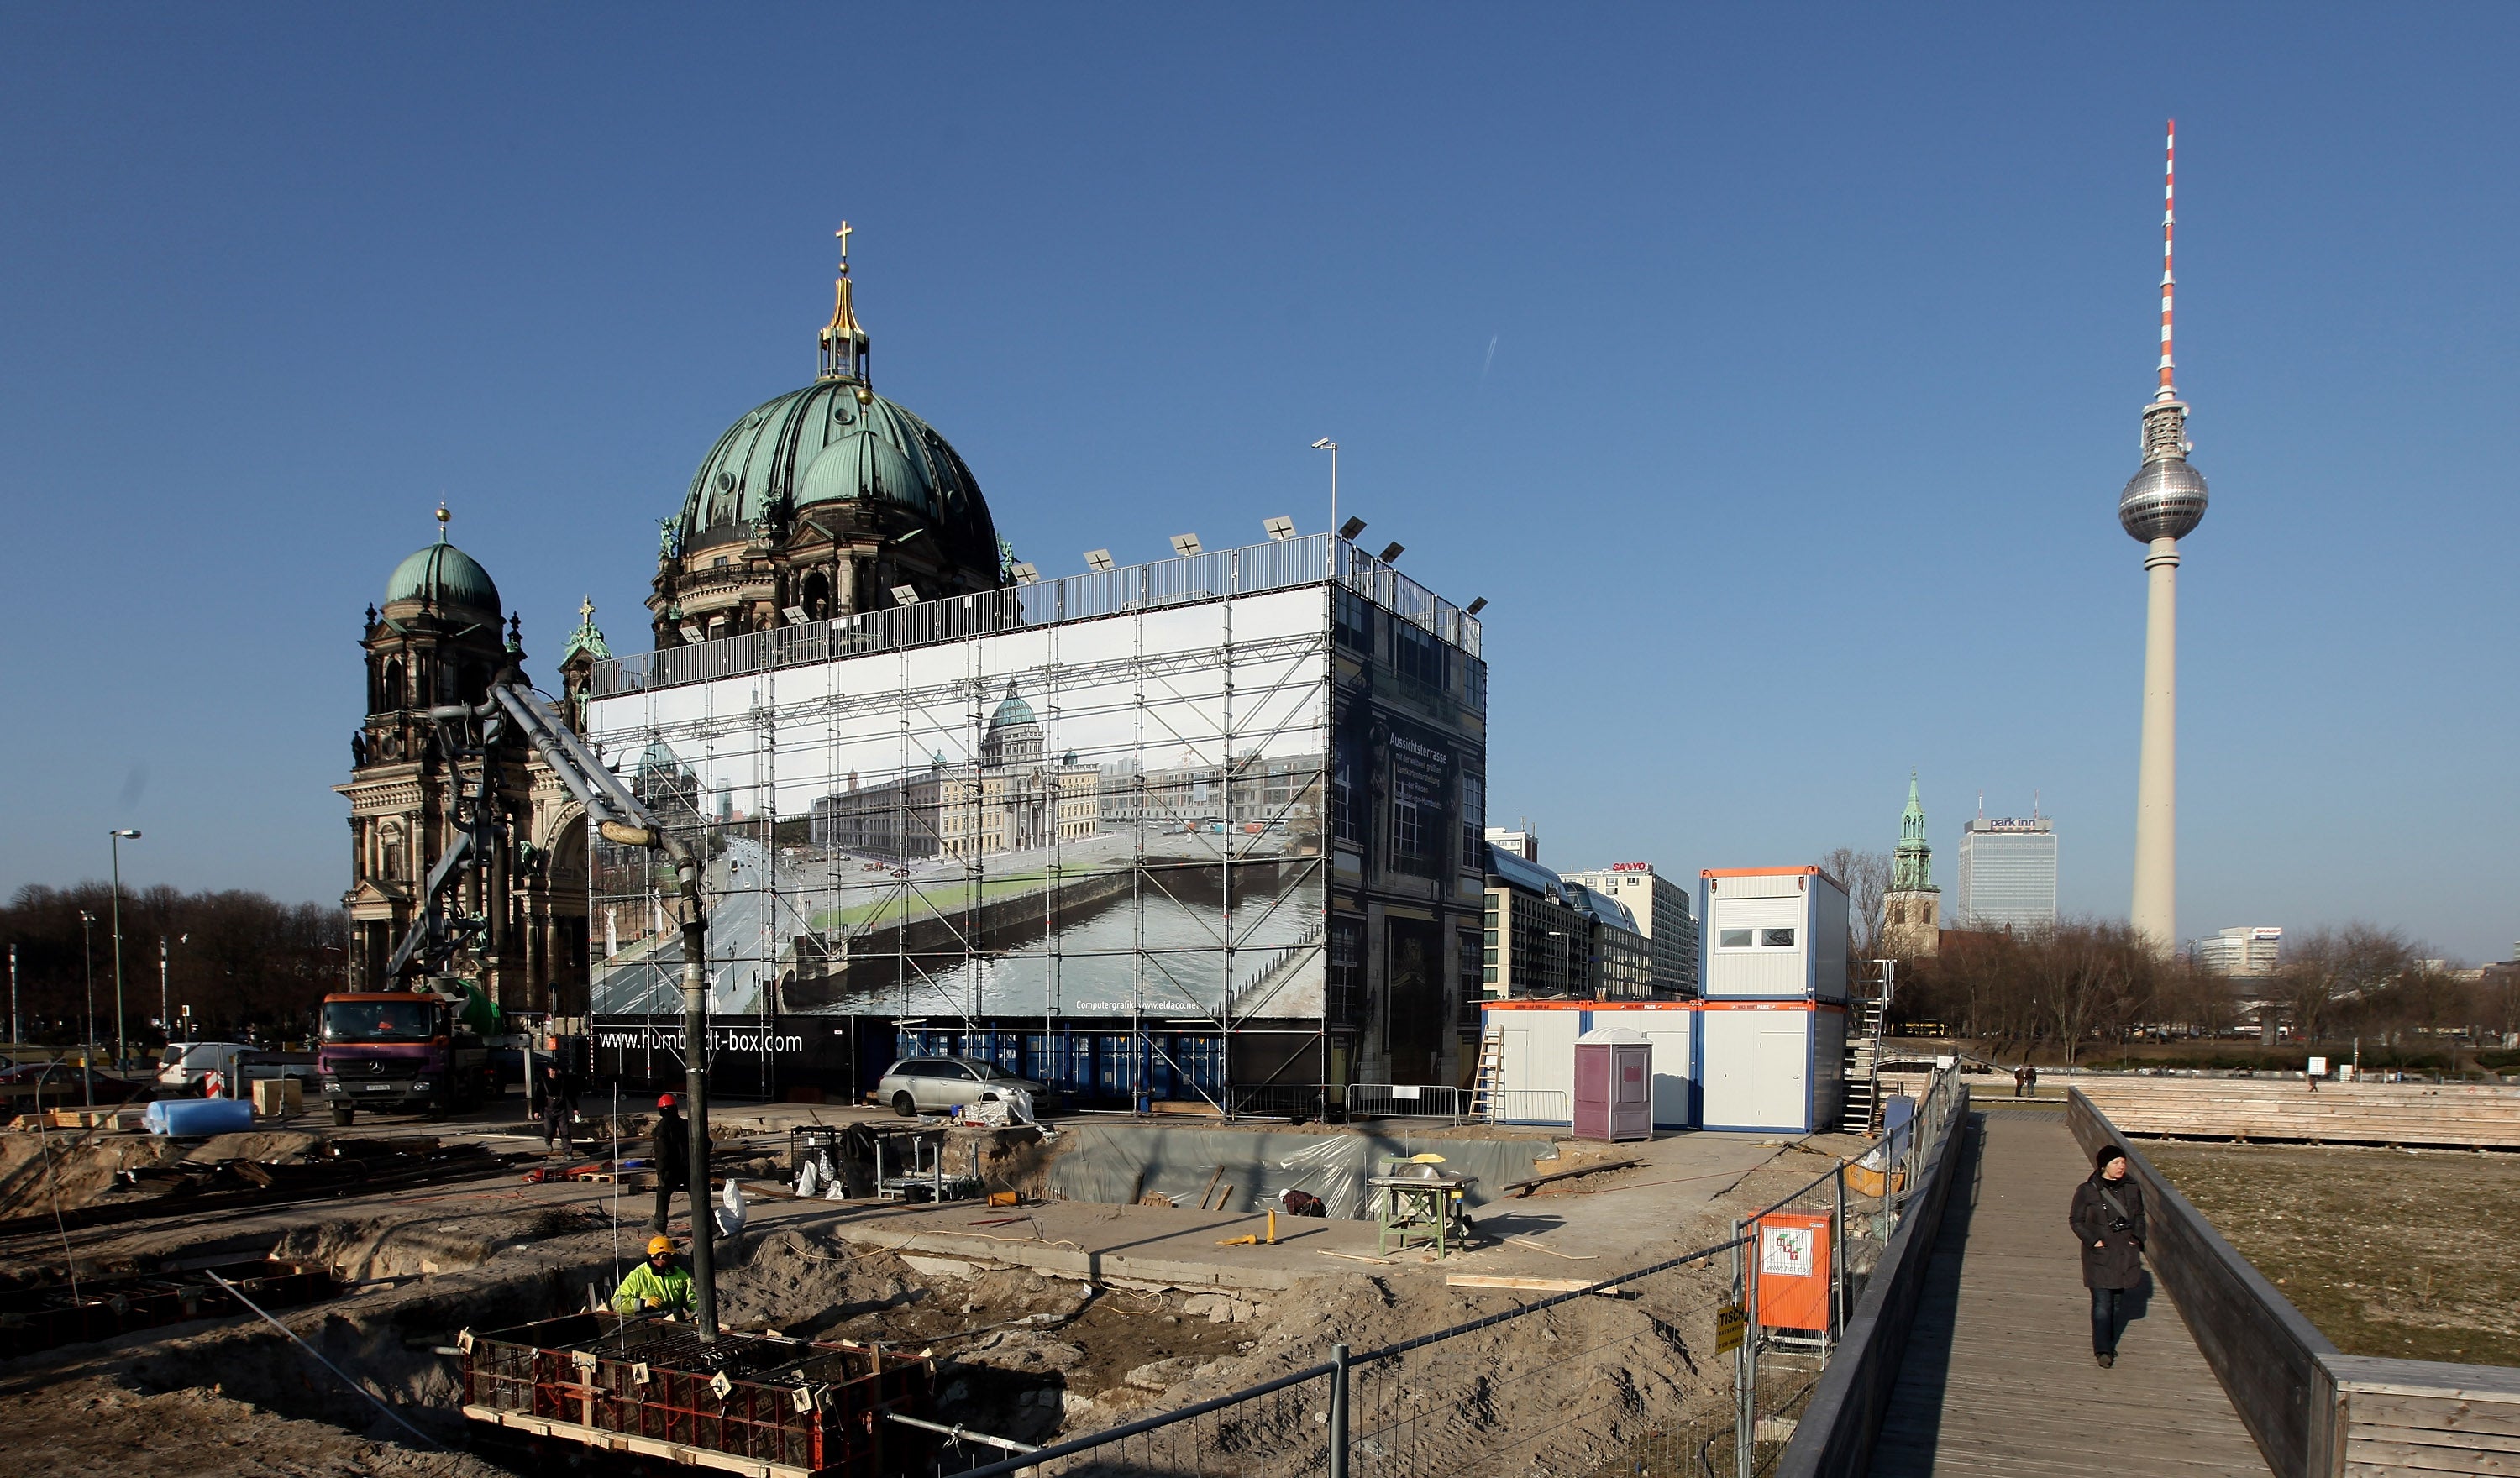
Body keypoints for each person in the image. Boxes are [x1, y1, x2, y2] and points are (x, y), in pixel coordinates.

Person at [2069, 1144, 2148, 1367]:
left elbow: (2140, 1215)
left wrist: (2137, 1238)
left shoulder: (2132, 1187)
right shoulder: (2087, 1190)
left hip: (2124, 1253)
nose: (2121, 1166)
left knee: (2116, 1302)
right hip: (2100, 1255)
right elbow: (2076, 1221)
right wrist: (2095, 1241)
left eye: (2123, 1162)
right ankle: (2103, 1350)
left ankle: (2108, 1341)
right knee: (2102, 1302)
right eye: (2116, 1163)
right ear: (2104, 1166)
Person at [611, 1235, 694, 1315]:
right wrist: (643, 1303)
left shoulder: (679, 1273)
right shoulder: (639, 1276)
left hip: (674, 1323)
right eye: (671, 1255)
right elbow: (617, 1302)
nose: (673, 1258)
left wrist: (697, 1313)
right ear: (663, 1256)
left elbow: (692, 1299)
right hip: (650, 1325)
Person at [650, 1093, 690, 1232]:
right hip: (689, 1168)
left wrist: (661, 1173)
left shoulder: (662, 1128)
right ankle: (713, 1228)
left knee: (663, 1193)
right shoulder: (686, 1124)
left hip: (671, 1169)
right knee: (699, 1197)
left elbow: (662, 1153)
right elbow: (707, 1143)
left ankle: (660, 1226)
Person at [539, 1061, 582, 1152]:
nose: (554, 1073)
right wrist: (536, 1111)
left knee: (565, 1131)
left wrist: (575, 1108)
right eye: (552, 1070)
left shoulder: (562, 1081)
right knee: (549, 1130)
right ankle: (548, 1141)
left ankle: (568, 1152)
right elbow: (538, 1097)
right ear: (548, 1070)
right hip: (548, 1111)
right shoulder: (543, 1081)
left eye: (555, 1071)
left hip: (561, 1111)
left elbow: (570, 1095)